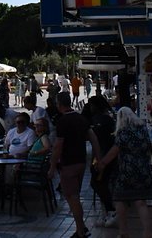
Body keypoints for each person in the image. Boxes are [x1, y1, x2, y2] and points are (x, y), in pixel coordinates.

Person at [95, 107, 152, 238]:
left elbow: (114, 151)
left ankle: (123, 232)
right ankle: (147, 233)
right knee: (141, 202)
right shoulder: (143, 130)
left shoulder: (123, 133)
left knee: (119, 199)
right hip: (144, 171)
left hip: (126, 173)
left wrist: (102, 163)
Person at [48, 92, 100, 238]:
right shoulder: (81, 118)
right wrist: (98, 158)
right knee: (74, 195)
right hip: (81, 161)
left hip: (68, 163)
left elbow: (58, 145)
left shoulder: (62, 121)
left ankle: (81, 231)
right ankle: (81, 227)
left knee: (72, 196)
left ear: (59, 104)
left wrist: (52, 166)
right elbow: (93, 138)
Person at [85, 95, 118, 229]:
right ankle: (106, 213)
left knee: (97, 183)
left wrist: (101, 160)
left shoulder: (101, 120)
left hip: (103, 156)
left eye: (91, 105)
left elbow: (96, 138)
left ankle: (111, 210)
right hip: (103, 155)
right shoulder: (106, 118)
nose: (90, 108)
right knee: (100, 183)